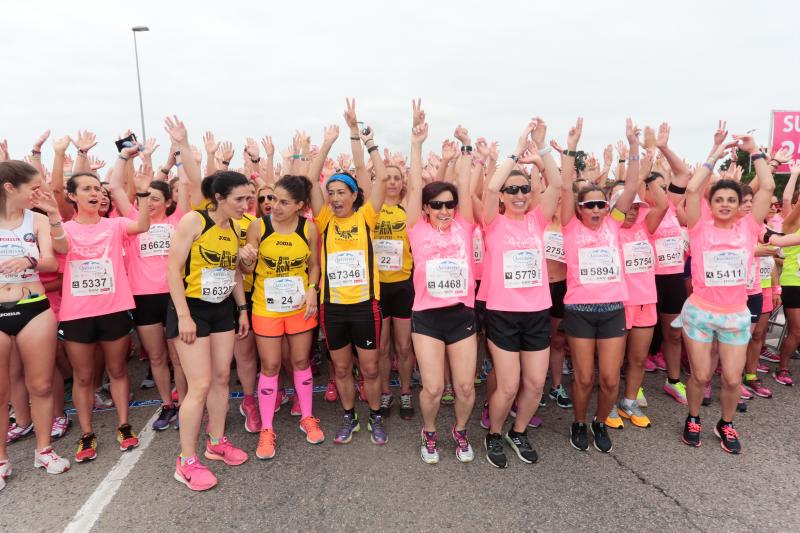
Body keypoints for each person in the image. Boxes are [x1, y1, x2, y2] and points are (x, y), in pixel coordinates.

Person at [164, 117, 251, 491]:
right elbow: (172, 269)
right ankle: (186, 461)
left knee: (220, 378)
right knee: (198, 384)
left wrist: (242, 308)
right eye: (240, 199)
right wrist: (182, 315)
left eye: (249, 198)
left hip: (222, 311)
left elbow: (233, 273)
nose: (247, 204)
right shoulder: (193, 222)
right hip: (192, 310)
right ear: (219, 197)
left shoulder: (234, 228)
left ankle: (216, 443)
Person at [677, 128, 773, 454]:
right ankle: (693, 417)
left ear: (739, 205)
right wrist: (715, 151)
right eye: (719, 199)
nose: (725, 204)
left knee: (732, 379)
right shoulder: (699, 227)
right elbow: (691, 189)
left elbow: (769, 186)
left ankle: (726, 422)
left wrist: (754, 151)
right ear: (711, 204)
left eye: (731, 200)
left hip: (734, 313)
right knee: (701, 375)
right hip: (701, 311)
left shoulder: (748, 227)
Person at [59, 144, 151, 463]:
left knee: (117, 371)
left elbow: (141, 225)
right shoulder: (65, 231)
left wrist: (133, 188)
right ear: (72, 196)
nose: (95, 194)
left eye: (98, 189)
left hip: (114, 310)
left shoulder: (114, 226)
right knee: (84, 377)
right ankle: (87, 433)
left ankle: (124, 426)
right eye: (87, 189)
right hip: (77, 315)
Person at [480, 119, 562, 468]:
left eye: (523, 190)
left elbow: (557, 184)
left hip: (536, 311)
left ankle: (519, 430)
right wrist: (514, 153)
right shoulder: (492, 221)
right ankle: (494, 434)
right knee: (509, 385)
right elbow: (488, 190)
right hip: (501, 311)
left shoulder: (537, 219)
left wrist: (542, 147)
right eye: (511, 190)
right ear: (503, 196)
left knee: (534, 383)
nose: (517, 194)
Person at [560, 118, 641, 453]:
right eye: (589, 204)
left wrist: (634, 146)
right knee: (584, 378)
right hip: (579, 310)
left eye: (600, 204)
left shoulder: (614, 224)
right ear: (579, 209)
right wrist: (571, 147)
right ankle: (579, 422)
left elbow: (632, 187)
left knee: (609, 379)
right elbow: (565, 188)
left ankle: (599, 420)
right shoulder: (569, 227)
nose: (596, 208)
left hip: (612, 310)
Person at [309, 117, 390, 446]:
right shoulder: (325, 218)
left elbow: (380, 177)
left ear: (355, 195)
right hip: (333, 308)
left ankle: (374, 416)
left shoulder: (366, 216)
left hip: (364, 306)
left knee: (369, 370)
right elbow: (310, 179)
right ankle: (349, 416)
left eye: (342, 191)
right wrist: (327, 142)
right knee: (341, 370)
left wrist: (366, 141)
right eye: (331, 193)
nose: (335, 197)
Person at [406, 114, 477, 465]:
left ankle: (461, 431)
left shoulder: (464, 226)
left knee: (464, 387)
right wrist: (417, 145)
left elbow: (464, 185)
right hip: (427, 316)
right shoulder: (416, 229)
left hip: (461, 313)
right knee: (433, 387)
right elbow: (414, 186)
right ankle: (429, 430)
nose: (445, 209)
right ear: (425, 209)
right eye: (437, 205)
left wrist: (466, 146)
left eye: (449, 204)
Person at [0, 160, 70, 490]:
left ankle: (44, 450)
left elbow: (54, 258)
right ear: (10, 188)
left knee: (40, 385)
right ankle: (1, 460)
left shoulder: (38, 218)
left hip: (34, 306)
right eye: (33, 188)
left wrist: (28, 260)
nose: (38, 193)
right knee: (1, 393)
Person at [344, 98, 416, 420]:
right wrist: (355, 133)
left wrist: (416, 140)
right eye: (386, 177)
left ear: (402, 184)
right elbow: (361, 169)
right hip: (375, 286)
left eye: (396, 178)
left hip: (402, 283)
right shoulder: (369, 209)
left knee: (403, 347)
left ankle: (405, 393)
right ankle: (385, 393)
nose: (391, 181)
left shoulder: (408, 209)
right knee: (383, 347)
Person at [243, 174, 324, 460]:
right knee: (271, 365)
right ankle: (267, 429)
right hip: (266, 307)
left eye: (283, 202)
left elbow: (314, 265)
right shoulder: (258, 226)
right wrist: (246, 260)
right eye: (273, 199)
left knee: (300, 361)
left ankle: (308, 417)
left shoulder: (309, 229)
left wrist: (313, 289)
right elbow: (246, 270)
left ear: (300, 205)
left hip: (300, 307)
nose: (274, 205)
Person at [108, 161, 188, 431]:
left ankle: (187, 404)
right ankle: (168, 404)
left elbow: (188, 185)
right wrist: (124, 157)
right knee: (157, 358)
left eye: (156, 198)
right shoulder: (132, 219)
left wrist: (184, 156)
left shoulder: (178, 220)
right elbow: (116, 187)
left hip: (173, 297)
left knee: (179, 358)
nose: (150, 203)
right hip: (142, 298)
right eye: (146, 198)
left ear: (168, 202)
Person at [605, 170, 669, 430]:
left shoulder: (646, 227)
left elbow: (663, 204)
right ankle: (608, 404)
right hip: (618, 303)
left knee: (638, 358)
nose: (632, 212)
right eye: (627, 207)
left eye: (636, 208)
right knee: (613, 361)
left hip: (645, 303)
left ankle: (629, 401)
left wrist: (650, 176)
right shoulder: (608, 230)